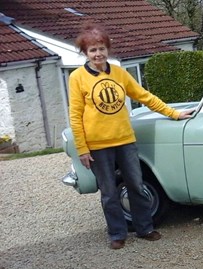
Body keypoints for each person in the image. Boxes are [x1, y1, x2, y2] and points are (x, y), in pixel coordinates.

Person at [68, 23, 193, 250]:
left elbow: (144, 96)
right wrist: (83, 148)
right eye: (93, 50)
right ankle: (117, 233)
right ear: (85, 53)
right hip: (98, 145)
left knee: (136, 185)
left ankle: (145, 228)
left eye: (101, 48)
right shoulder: (77, 78)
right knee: (108, 192)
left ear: (108, 49)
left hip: (125, 140)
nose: (98, 54)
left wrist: (173, 113)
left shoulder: (119, 73)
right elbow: (75, 116)